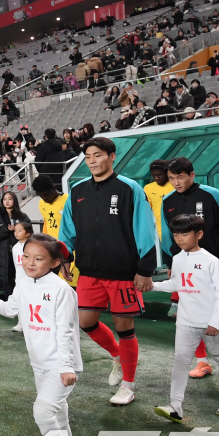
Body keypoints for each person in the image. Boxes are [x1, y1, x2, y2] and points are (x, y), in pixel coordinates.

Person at [58, 137, 157, 406]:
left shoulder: (129, 188)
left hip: (123, 273)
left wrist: (145, 269)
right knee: (85, 322)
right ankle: (117, 356)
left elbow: (145, 228)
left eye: (97, 155)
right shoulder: (77, 190)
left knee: (124, 327)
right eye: (88, 156)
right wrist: (63, 257)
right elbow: (67, 230)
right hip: (89, 271)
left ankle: (128, 385)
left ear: (112, 157)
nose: (92, 161)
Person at [0, 234, 81, 436]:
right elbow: (10, 310)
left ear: (55, 262)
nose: (30, 263)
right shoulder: (24, 283)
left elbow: (66, 331)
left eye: (38, 259)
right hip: (39, 363)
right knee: (58, 414)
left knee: (43, 412)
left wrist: (67, 366)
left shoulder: (62, 290)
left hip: (60, 365)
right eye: (26, 256)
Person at [158, 157, 219, 378]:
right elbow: (167, 234)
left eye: (180, 177)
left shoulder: (213, 195)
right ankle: (202, 362)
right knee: (187, 312)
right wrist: (170, 262)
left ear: (192, 175)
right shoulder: (167, 200)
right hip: (183, 264)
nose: (176, 182)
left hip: (212, 263)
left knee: (214, 309)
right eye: (171, 178)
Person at [151, 215, 219, 422]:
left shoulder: (212, 261)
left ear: (199, 235)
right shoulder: (178, 258)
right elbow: (176, 284)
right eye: (175, 234)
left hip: (211, 322)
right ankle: (175, 406)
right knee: (180, 361)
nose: (179, 238)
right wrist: (152, 285)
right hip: (186, 321)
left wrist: (215, 322)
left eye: (184, 234)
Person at [143, 160, 173, 241]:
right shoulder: (148, 188)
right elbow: (146, 210)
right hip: (161, 232)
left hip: (179, 229)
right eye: (153, 175)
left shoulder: (175, 185)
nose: (156, 178)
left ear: (167, 173)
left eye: (159, 175)